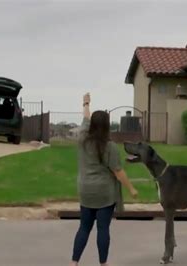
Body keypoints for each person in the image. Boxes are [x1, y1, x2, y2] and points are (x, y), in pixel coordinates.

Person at [70, 93, 138, 266]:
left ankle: (73, 262)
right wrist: (131, 189)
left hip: (85, 190)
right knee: (103, 229)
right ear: (107, 125)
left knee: (84, 228)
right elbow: (118, 171)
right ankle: (103, 263)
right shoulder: (110, 147)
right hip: (104, 195)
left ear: (92, 124)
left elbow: (85, 116)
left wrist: (85, 102)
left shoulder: (83, 138)